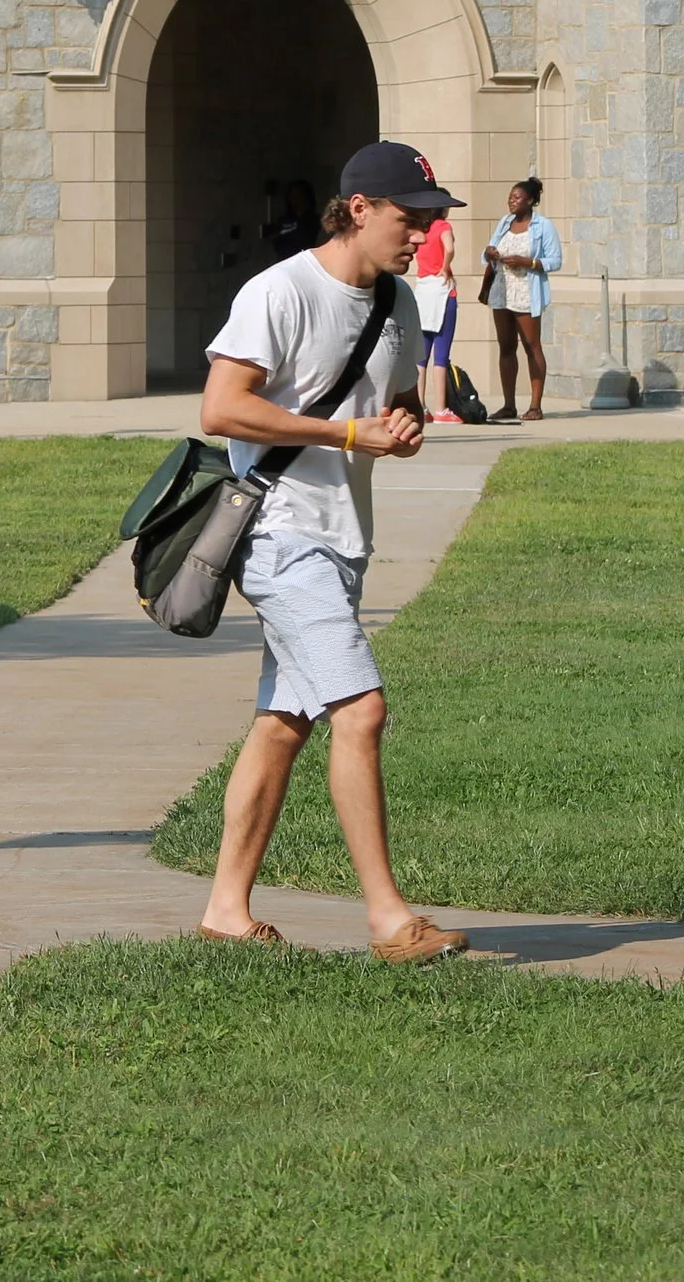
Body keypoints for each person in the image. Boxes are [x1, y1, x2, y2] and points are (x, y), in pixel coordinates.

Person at [195, 140, 472, 966]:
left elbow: (391, 409)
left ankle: (225, 912)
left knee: (283, 723)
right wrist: (345, 432)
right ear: (358, 209)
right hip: (281, 534)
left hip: (345, 537)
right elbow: (222, 407)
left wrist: (403, 431)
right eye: (407, 217)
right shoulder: (278, 291)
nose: (421, 234)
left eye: (428, 221)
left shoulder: (400, 304)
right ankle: (391, 919)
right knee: (362, 708)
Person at [481, 176, 562, 422]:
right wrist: (489, 252)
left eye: (517, 198)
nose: (511, 202)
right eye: (510, 197)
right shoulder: (505, 222)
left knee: (531, 346)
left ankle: (535, 406)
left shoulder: (542, 226)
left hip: (526, 290)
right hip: (501, 289)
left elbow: (555, 260)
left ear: (530, 201)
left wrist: (528, 262)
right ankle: (508, 405)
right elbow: (488, 252)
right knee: (506, 348)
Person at [410, 206, 461, 422]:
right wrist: (445, 266)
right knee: (441, 354)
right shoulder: (443, 226)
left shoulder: (421, 228)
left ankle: (419, 406)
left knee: (421, 355)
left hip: (422, 287)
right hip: (441, 287)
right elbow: (448, 248)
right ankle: (441, 408)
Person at [265, 178, 319, 260]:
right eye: (292, 195)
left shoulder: (315, 221)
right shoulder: (283, 221)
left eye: (299, 195)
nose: (295, 199)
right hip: (285, 262)